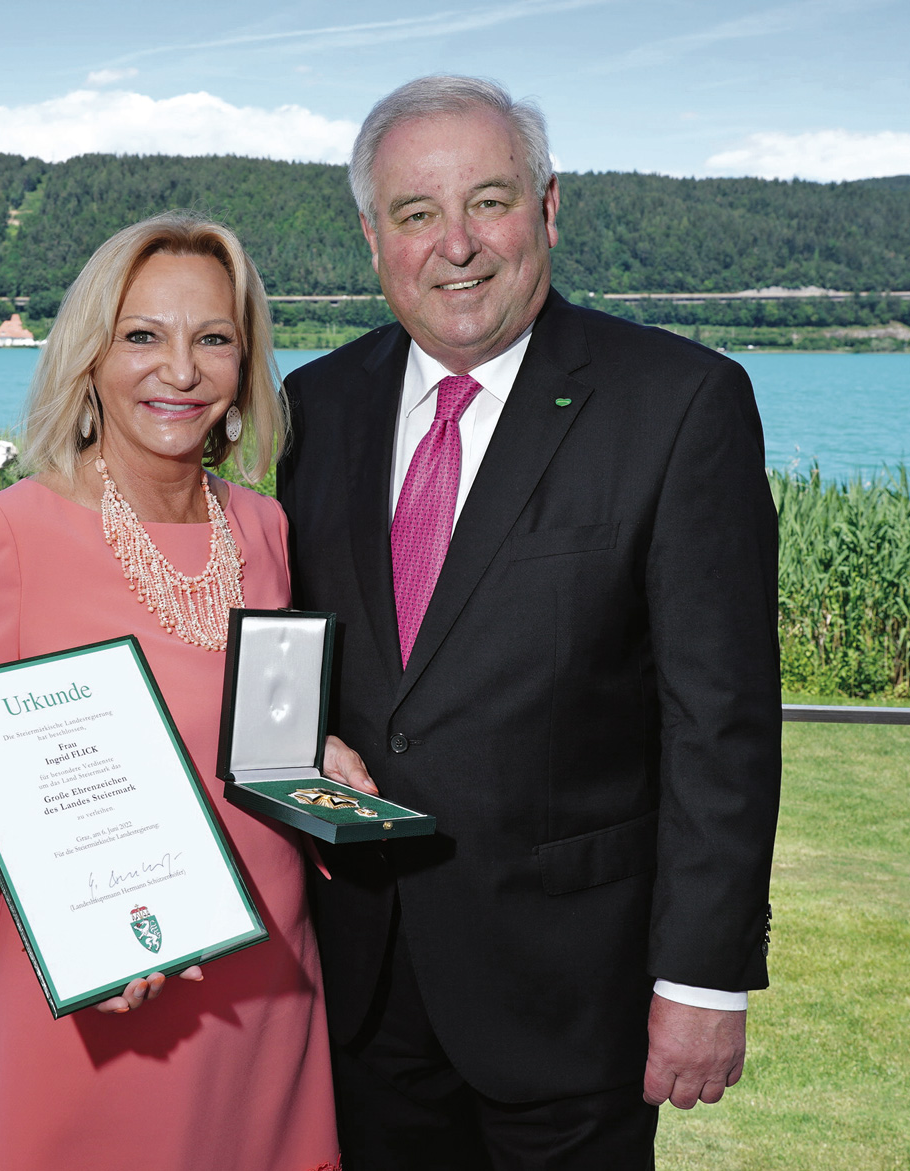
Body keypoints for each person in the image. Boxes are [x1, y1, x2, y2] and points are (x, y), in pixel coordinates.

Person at [279, 76, 783, 1169]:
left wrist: (700, 976)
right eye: (415, 214)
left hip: (571, 995)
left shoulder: (678, 402)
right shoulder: (311, 410)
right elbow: (286, 647)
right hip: (358, 986)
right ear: (373, 238)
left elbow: (720, 719)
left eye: (489, 202)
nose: (455, 245)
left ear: (548, 210)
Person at [0, 212, 349, 1171]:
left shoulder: (264, 528)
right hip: (105, 992)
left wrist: (318, 756)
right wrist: (78, 929)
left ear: (244, 362)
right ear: (90, 355)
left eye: (212, 338)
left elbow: (258, 725)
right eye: (143, 335)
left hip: (268, 976)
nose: (179, 371)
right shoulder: (7, 534)